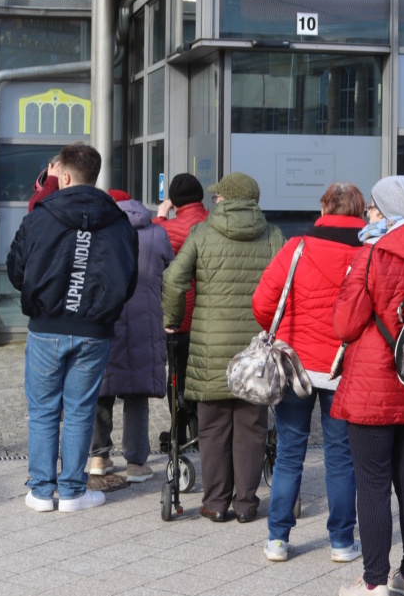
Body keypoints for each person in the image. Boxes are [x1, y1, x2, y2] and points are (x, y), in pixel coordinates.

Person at [332, 176, 404, 596]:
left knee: (373, 484)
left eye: (375, 207)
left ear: (389, 211)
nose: (369, 213)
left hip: (373, 387)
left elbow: (344, 324)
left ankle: (373, 583)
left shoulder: (372, 256)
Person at [6, 143, 138, 513]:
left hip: (47, 327)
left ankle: (42, 491)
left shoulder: (40, 216)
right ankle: (74, 491)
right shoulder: (118, 221)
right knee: (80, 409)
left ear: (63, 176)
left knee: (44, 410)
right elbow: (129, 279)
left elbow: (16, 270)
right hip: (94, 331)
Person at [251, 182, 365, 564]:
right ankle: (341, 542)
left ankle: (277, 540)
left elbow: (263, 302)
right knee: (340, 456)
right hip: (342, 366)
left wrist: (281, 333)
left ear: (324, 208)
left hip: (294, 365)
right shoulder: (366, 255)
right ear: (360, 211)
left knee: (289, 452)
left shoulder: (296, 248)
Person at [162, 171, 284, 524]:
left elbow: (173, 279)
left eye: (218, 196)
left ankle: (215, 503)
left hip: (209, 345)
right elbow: (287, 284)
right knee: (252, 424)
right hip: (255, 347)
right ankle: (246, 504)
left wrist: (173, 317)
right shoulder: (273, 235)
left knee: (212, 425)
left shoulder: (202, 233)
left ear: (226, 199)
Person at [87, 190, 174, 483]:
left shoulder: (99, 232)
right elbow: (170, 273)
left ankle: (99, 457)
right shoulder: (157, 234)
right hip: (145, 324)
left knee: (102, 391)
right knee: (137, 394)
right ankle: (136, 463)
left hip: (105, 321)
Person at [151, 173, 209, 430]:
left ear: (174, 201)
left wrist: (162, 213)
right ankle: (201, 431)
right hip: (209, 320)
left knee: (176, 375)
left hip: (181, 321)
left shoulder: (168, 229)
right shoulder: (213, 224)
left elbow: (151, 239)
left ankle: (179, 432)